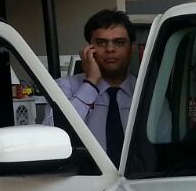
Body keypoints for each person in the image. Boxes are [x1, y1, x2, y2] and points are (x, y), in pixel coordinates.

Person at [48, 9, 139, 166]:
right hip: (83, 180)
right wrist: (91, 84)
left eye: (119, 42)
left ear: (132, 49)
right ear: (88, 50)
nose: (110, 49)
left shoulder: (145, 91)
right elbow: (52, 137)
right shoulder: (64, 87)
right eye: (101, 43)